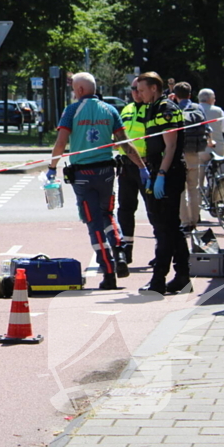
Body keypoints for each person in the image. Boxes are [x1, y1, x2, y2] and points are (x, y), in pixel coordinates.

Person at [47, 73, 146, 290]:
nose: (74, 92)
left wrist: (52, 168)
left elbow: (61, 142)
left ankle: (108, 272)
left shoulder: (71, 111)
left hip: (82, 175)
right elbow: (126, 144)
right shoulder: (110, 110)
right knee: (107, 214)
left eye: (74, 89)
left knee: (93, 223)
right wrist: (142, 167)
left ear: (80, 90)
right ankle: (120, 251)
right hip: (107, 172)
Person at [136, 71, 191, 296]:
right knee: (170, 227)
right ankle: (182, 277)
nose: (137, 94)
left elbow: (170, 146)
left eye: (141, 89)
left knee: (164, 229)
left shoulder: (166, 109)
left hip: (168, 173)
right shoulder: (152, 108)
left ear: (154, 88)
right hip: (160, 171)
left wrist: (160, 175)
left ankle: (159, 279)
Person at [116, 82, 152, 262]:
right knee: (125, 209)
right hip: (126, 166)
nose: (136, 92)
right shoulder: (127, 108)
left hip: (146, 165)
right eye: (132, 88)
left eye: (139, 88)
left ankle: (162, 250)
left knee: (153, 209)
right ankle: (126, 249)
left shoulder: (152, 109)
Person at [173, 82, 209, 231]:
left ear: (175, 95)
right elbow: (207, 127)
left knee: (181, 189)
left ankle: (184, 221)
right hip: (194, 152)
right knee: (193, 188)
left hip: (179, 153)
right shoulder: (197, 108)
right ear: (190, 94)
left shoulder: (174, 108)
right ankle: (194, 220)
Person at [198, 88, 224, 158]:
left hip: (199, 148)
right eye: (214, 98)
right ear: (210, 99)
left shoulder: (194, 110)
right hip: (217, 148)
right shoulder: (218, 111)